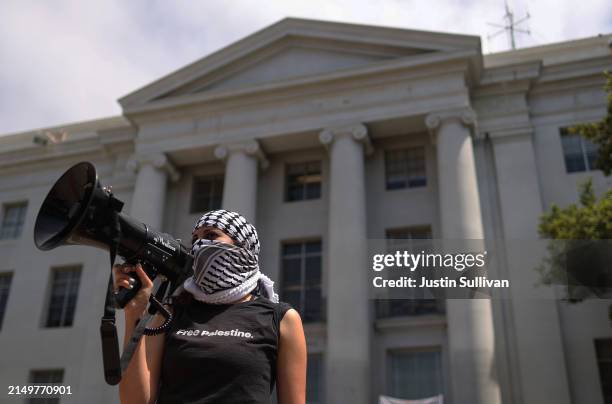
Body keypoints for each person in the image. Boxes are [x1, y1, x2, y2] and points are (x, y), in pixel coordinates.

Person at [113, 209, 307, 404]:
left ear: (244, 248)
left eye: (211, 235)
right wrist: (134, 314)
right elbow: (135, 401)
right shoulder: (171, 312)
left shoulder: (280, 319)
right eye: (195, 239)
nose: (199, 245)